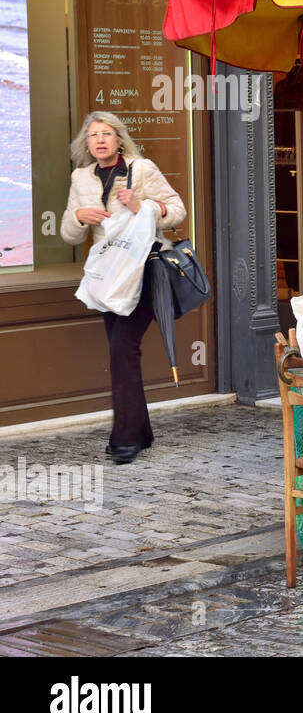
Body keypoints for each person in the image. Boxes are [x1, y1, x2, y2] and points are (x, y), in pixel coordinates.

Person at [61, 112, 187, 465]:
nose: (99, 140)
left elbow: (177, 209)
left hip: (145, 268)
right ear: (86, 143)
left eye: (106, 134)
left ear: (118, 139)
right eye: (93, 135)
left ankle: (125, 438)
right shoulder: (80, 178)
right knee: (124, 352)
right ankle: (142, 430)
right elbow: (68, 234)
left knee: (122, 347)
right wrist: (77, 218)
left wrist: (142, 205)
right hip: (108, 275)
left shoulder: (142, 168)